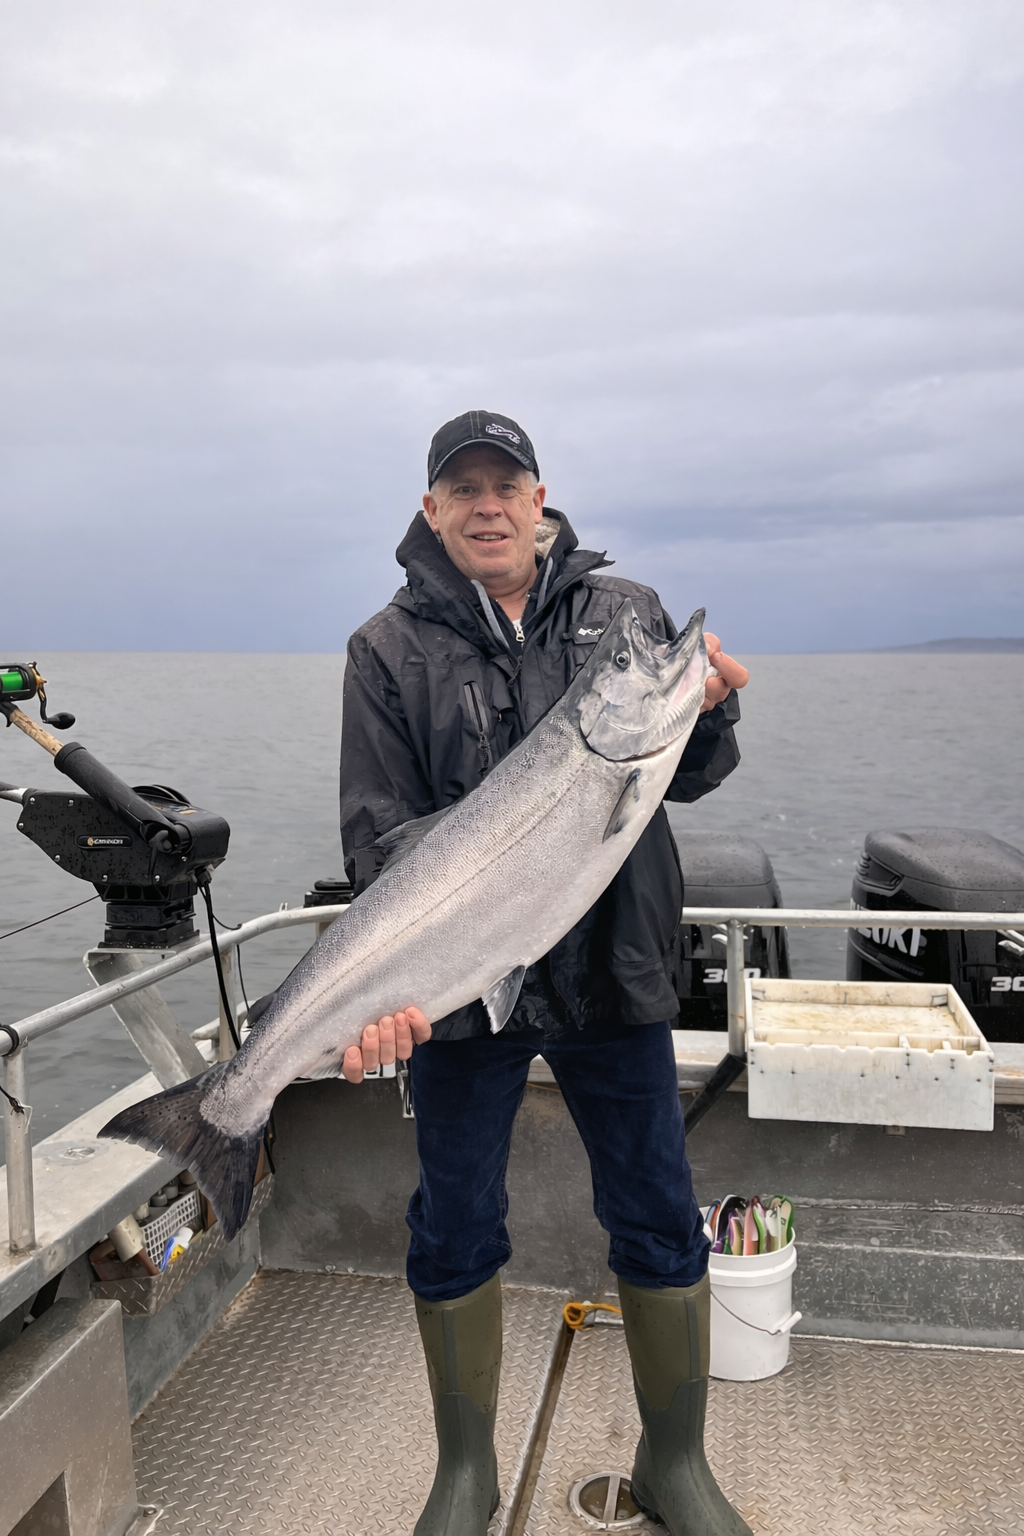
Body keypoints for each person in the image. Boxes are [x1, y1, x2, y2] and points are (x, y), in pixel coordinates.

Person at [338, 411, 751, 1536]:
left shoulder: (625, 616)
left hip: (614, 967)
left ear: (538, 497)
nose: (485, 504)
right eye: (460, 488)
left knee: (659, 1211)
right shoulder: (385, 650)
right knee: (454, 1220)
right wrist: (386, 994)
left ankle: (678, 1465)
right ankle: (464, 1473)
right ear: (430, 510)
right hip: (467, 980)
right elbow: (379, 839)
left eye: (503, 484)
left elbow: (690, 774)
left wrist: (711, 715)